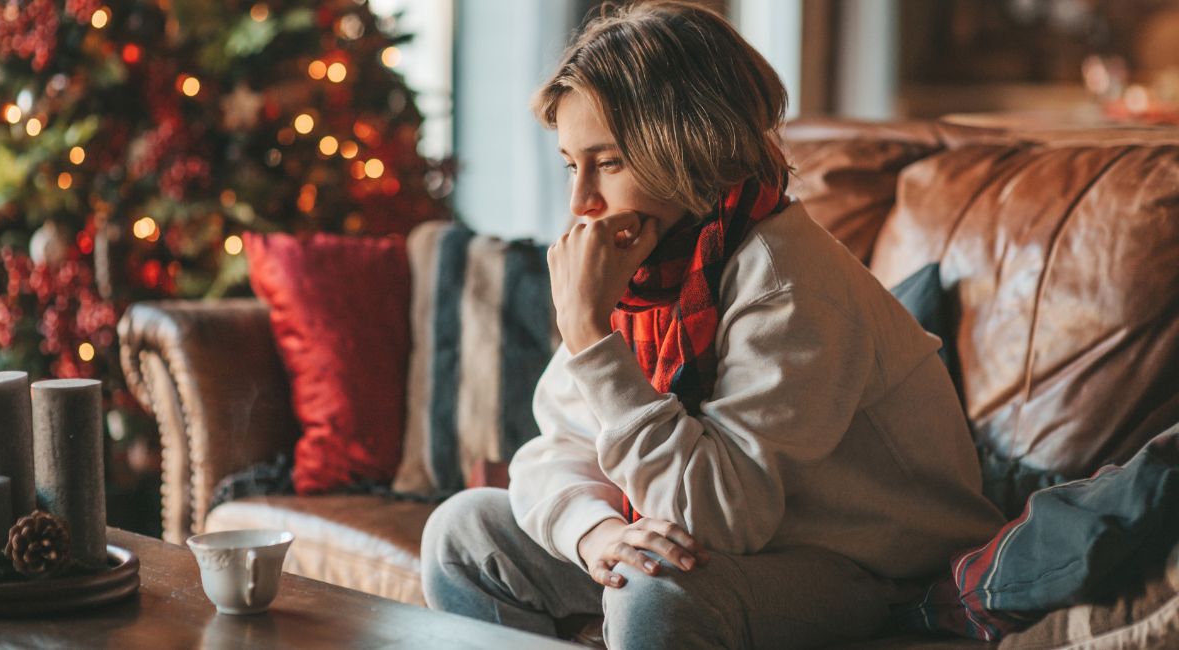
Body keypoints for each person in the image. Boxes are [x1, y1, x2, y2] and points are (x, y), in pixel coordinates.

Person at [420, 2, 1006, 648]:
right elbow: (555, 452)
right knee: (461, 534)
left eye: (608, 162)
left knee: (657, 593)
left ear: (690, 147)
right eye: (570, 164)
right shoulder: (644, 270)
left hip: (869, 569)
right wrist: (598, 535)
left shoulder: (784, 278)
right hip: (728, 543)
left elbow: (722, 517)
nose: (580, 202)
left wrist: (590, 338)